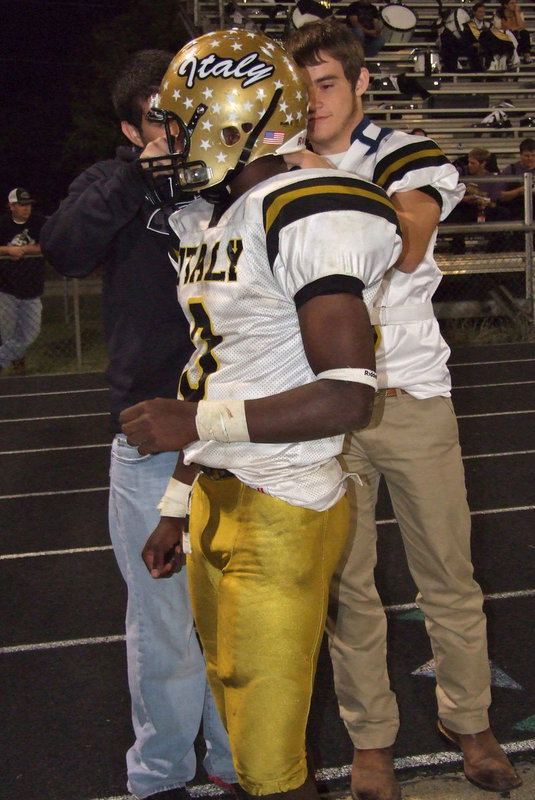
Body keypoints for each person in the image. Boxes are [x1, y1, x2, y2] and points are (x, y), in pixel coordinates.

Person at [120, 28, 402, 800]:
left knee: (272, 760)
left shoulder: (304, 208)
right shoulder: (219, 221)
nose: (164, 145)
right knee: (241, 722)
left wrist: (193, 429)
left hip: (284, 504)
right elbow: (218, 373)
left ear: (234, 116)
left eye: (176, 125)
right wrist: (177, 502)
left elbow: (349, 393)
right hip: (218, 495)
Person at [285, 19, 522, 800]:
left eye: (327, 83)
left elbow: (410, 240)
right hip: (321, 403)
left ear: (358, 84)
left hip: (409, 395)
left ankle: (470, 719)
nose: (314, 100)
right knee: (346, 585)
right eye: (302, 85)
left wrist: (306, 175)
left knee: (446, 575)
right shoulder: (273, 164)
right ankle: (371, 739)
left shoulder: (403, 151)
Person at [40, 50, 238, 800]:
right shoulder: (112, 181)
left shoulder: (239, 177)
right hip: (154, 440)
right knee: (162, 625)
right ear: (131, 127)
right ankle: (159, 774)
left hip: (246, 431)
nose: (178, 127)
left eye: (189, 109)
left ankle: (234, 757)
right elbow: (64, 247)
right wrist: (136, 174)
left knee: (240, 616)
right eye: (160, 114)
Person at [0, 188, 45, 376]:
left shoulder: (38, 223)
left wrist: (25, 249)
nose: (26, 209)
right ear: (11, 206)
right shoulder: (3, 224)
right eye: (21, 205)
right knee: (7, 333)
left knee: (30, 333)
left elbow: (46, 245)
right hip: (6, 287)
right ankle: (16, 363)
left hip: (32, 288)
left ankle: (3, 359)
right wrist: (8, 251)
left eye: (28, 205)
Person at [447, 147, 512, 252]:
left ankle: (493, 252)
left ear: (483, 164)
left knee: (502, 213)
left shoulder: (492, 178)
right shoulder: (460, 173)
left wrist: (486, 202)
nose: (469, 165)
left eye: (473, 163)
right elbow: (449, 196)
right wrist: (465, 199)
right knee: (456, 215)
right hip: (464, 208)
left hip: (483, 209)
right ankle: (458, 251)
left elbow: (494, 202)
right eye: (469, 162)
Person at [499, 136, 535, 219]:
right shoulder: (510, 170)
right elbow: (500, 196)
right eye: (527, 155)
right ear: (520, 155)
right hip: (516, 210)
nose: (530, 158)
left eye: (533, 155)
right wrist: (518, 191)